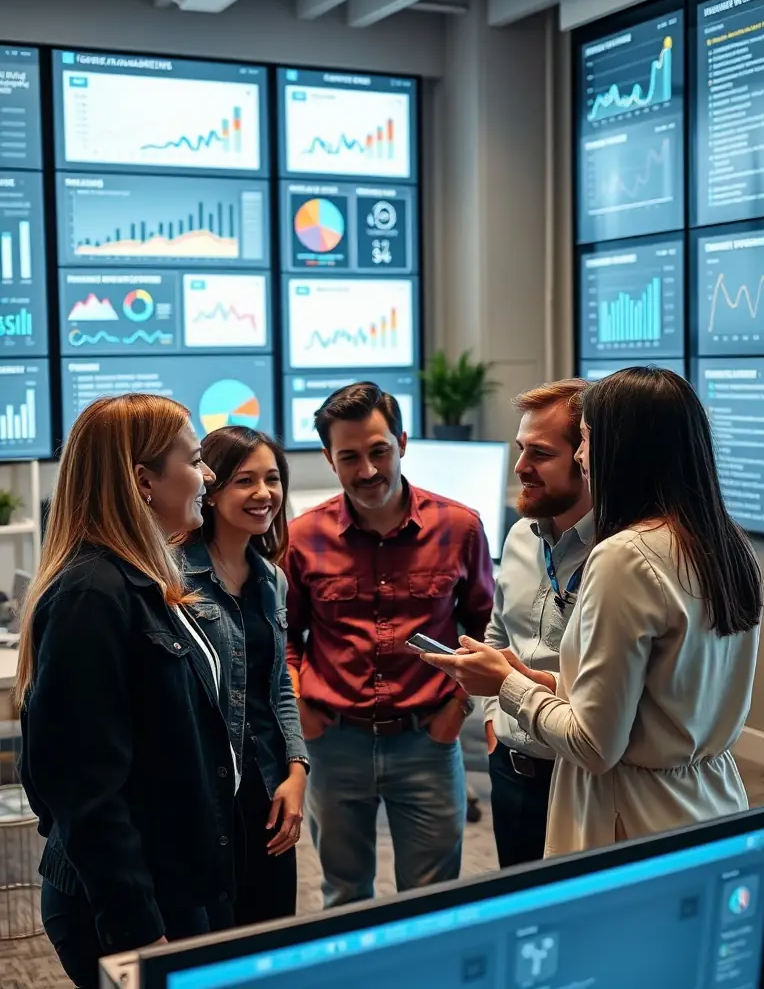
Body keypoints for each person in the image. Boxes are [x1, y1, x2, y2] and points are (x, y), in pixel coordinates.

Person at [423, 367, 762, 857]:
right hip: (708, 801)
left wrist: (506, 686)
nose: (582, 457)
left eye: (583, 441)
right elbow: (662, 701)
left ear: (622, 448)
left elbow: (595, 747)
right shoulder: (727, 543)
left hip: (632, 818)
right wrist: (541, 684)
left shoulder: (624, 555)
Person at [17, 394, 237, 989]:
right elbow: (82, 790)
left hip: (172, 883)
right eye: (194, 460)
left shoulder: (137, 578)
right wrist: (138, 932)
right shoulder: (93, 595)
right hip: (130, 908)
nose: (208, 475)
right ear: (143, 480)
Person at [284, 381, 495, 908]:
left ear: (402, 442)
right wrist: (301, 707)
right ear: (330, 461)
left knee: (431, 902)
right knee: (343, 895)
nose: (368, 470)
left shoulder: (460, 527)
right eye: (349, 456)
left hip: (428, 739)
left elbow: (485, 629)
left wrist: (457, 707)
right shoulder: (302, 537)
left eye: (379, 451)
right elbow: (282, 637)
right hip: (334, 743)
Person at [183, 426, 308, 927]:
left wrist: (297, 770)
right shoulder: (171, 578)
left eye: (273, 479)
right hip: (207, 791)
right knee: (212, 937)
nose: (264, 494)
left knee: (271, 936)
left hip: (268, 785)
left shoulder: (270, 576)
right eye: (244, 481)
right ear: (209, 490)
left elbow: (277, 683)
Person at [483, 378, 592, 867]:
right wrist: (492, 718)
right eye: (521, 449)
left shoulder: (625, 556)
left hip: (582, 778)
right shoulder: (521, 536)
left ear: (588, 456)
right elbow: (498, 632)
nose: (520, 467)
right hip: (510, 771)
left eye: (540, 454)